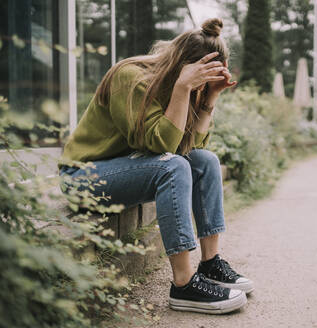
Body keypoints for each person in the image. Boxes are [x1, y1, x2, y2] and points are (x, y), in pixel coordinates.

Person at [57, 18, 253, 314]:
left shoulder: (185, 87)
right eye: (201, 78)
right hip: (84, 176)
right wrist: (182, 87)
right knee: (171, 166)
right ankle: (184, 285)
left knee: (206, 161)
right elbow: (161, 148)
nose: (200, 85)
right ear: (182, 65)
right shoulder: (130, 76)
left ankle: (210, 264)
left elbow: (192, 149)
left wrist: (210, 96)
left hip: (128, 168)